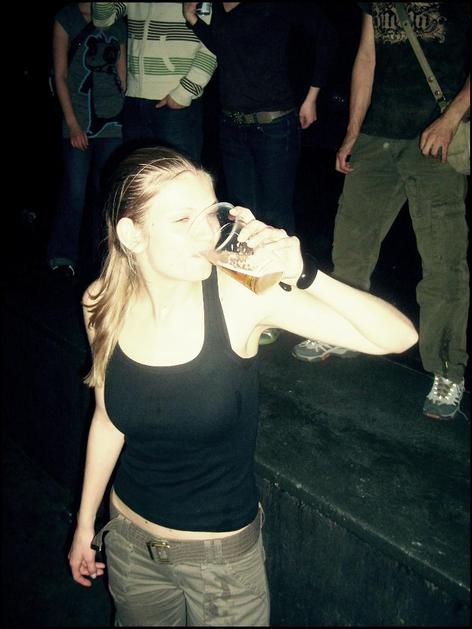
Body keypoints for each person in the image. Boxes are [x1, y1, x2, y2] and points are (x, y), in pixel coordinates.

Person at [67, 145, 417, 626]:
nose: (207, 232)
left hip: (221, 565)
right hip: (129, 542)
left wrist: (303, 273)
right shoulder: (101, 302)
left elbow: (397, 337)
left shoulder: (240, 297)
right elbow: (108, 421)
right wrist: (85, 524)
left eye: (211, 214)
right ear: (132, 234)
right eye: (182, 219)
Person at [292, 2, 470, 421]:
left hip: (436, 140)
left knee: (443, 261)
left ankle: (447, 370)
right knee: (351, 245)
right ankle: (344, 331)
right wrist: (353, 131)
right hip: (377, 136)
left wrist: (450, 119)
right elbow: (367, 58)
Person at [182, 1, 336, 345]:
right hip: (232, 126)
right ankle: (251, 300)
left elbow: (326, 35)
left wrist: (312, 96)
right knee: (242, 219)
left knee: (274, 217)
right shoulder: (218, 7)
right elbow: (226, 47)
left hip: (274, 125)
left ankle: (281, 302)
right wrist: (194, 22)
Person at [47, 1, 126, 279]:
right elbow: (60, 75)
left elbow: (122, 74)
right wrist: (72, 124)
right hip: (78, 118)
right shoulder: (66, 17)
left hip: (112, 121)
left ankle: (104, 256)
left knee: (107, 191)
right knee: (75, 190)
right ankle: (62, 255)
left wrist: (125, 115)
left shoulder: (117, 18)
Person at [92, 2, 217, 162]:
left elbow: (212, 45)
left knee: (179, 172)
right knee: (136, 172)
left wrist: (184, 93)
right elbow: (102, 21)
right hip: (134, 100)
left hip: (175, 104)